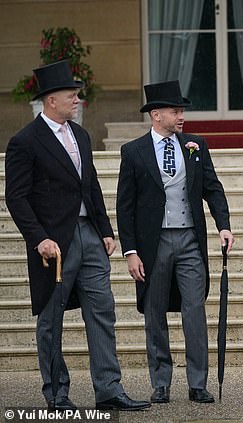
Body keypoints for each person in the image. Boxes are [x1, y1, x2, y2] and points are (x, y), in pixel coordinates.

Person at [4, 60, 150, 412]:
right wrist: (38, 238)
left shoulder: (81, 135)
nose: (77, 100)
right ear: (51, 100)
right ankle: (56, 393)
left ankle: (109, 388)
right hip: (54, 245)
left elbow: (91, 186)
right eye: (71, 95)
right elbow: (16, 196)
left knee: (103, 311)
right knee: (51, 319)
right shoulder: (25, 141)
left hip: (89, 238)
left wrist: (105, 229)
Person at [116, 80, 234, 404]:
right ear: (156, 114)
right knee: (154, 313)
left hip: (189, 239)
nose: (181, 116)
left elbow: (213, 187)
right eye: (174, 110)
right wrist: (130, 251)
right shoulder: (134, 152)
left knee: (194, 310)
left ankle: (198, 383)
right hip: (154, 245)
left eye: (181, 110)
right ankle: (161, 382)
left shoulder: (195, 145)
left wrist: (223, 225)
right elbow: (124, 206)